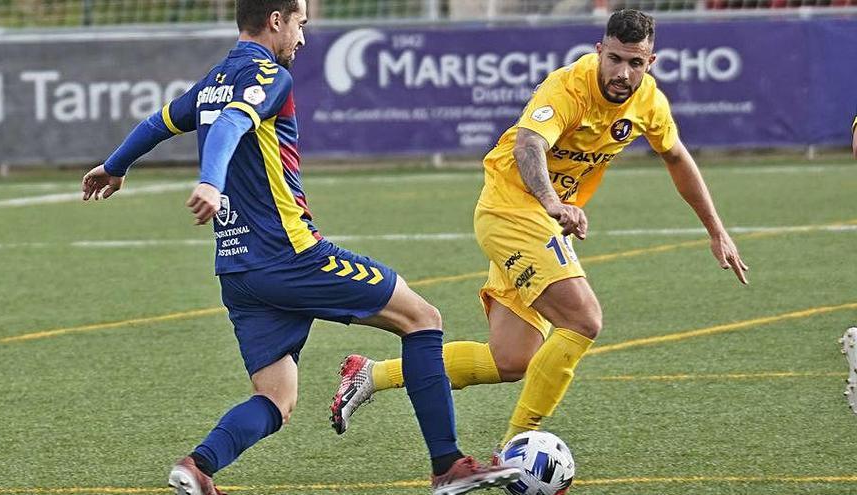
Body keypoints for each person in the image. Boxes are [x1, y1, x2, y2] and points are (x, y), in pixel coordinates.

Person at [81, 1, 519, 494]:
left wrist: (115, 164)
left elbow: (160, 122)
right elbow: (229, 125)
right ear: (276, 19)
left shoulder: (214, 79)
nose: (303, 39)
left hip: (237, 270)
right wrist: (209, 181)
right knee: (422, 319)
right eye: (301, 25)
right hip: (289, 256)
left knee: (276, 397)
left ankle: (198, 466)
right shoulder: (270, 75)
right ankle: (448, 466)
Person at [330, 9, 749, 455]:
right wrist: (553, 203)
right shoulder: (568, 86)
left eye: (635, 63)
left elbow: (677, 157)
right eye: (615, 59)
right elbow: (530, 143)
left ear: (651, 62)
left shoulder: (649, 103)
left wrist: (716, 230)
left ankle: (370, 374)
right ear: (599, 51)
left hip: (539, 221)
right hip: (512, 209)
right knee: (584, 320)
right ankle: (513, 451)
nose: (623, 73)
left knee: (511, 359)